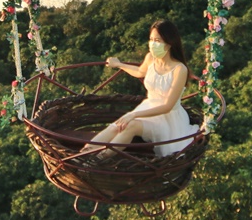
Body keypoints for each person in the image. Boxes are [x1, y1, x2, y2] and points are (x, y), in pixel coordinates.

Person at [81, 19, 197, 158]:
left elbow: (167, 106)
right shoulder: (150, 58)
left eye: (158, 41)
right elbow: (140, 72)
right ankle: (85, 152)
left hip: (168, 119)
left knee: (131, 125)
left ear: (170, 42)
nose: (153, 44)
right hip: (148, 107)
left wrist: (134, 114)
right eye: (151, 39)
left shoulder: (179, 69)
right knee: (120, 124)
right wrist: (119, 64)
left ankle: (99, 158)